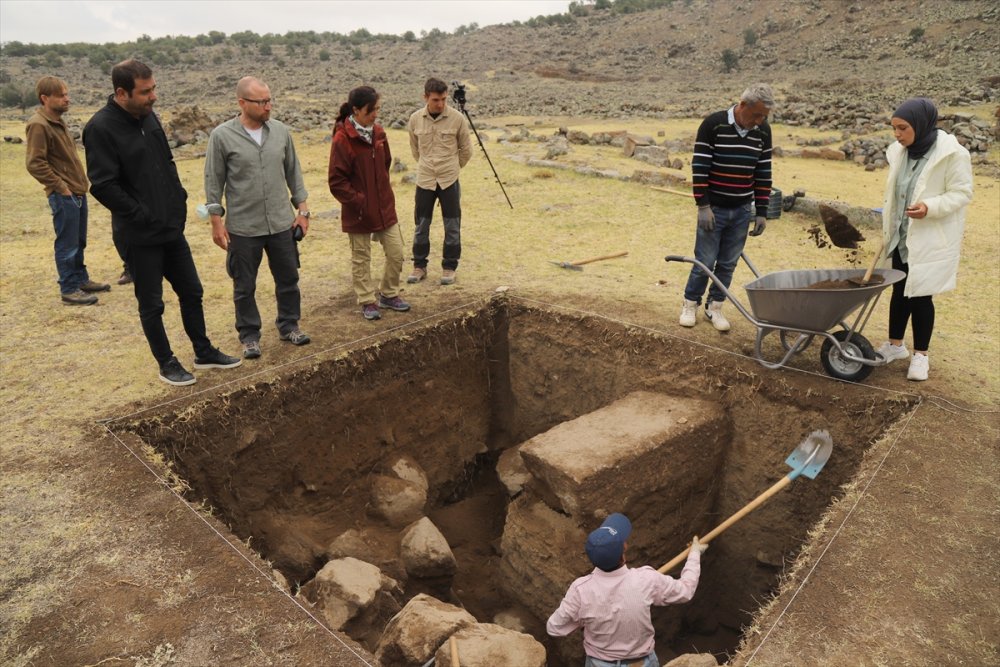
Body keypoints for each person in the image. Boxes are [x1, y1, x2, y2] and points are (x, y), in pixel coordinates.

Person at [84, 59, 241, 386]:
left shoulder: (148, 117)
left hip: (170, 226)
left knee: (192, 291)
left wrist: (178, 199)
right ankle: (166, 362)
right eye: (145, 92)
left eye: (154, 88)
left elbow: (166, 161)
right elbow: (102, 185)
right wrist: (140, 214)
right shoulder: (100, 128)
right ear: (121, 93)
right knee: (152, 304)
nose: (153, 96)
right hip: (139, 234)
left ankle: (203, 351)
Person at [205, 76, 311, 360]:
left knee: (288, 278)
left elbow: (293, 172)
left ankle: (289, 325)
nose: (268, 106)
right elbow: (213, 182)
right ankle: (249, 336)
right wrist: (216, 221)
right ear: (242, 103)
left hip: (280, 222)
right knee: (244, 286)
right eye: (261, 101)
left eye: (269, 100)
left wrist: (302, 211)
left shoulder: (281, 132)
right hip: (243, 227)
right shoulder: (222, 136)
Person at [875, 97, 973, 382]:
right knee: (899, 289)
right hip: (902, 236)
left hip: (929, 235)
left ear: (920, 124)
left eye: (902, 128)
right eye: (894, 128)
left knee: (920, 295)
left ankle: (921, 356)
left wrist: (930, 207)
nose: (897, 134)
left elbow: (962, 193)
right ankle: (895, 346)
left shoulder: (952, 154)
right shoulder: (899, 151)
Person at [547, 513, 708, 667]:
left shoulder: (580, 590)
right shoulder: (646, 579)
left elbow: (554, 627)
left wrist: (583, 618)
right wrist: (694, 554)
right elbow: (686, 591)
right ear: (623, 551)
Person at [680, 84, 774, 332]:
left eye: (764, 116)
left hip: (742, 209)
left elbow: (763, 172)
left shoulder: (763, 131)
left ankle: (715, 306)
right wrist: (703, 205)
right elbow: (700, 166)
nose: (760, 121)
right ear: (742, 105)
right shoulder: (714, 124)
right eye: (757, 114)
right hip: (715, 209)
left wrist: (761, 211)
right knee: (705, 260)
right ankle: (691, 303)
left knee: (728, 263)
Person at [25, 76, 111, 305]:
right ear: (45, 98)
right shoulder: (39, 124)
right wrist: (61, 187)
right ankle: (69, 288)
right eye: (61, 95)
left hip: (77, 191)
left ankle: (80, 279)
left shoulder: (57, 121)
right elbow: (35, 163)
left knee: (78, 241)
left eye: (66, 94)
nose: (67, 99)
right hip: (64, 194)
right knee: (67, 243)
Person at [328, 86, 410, 321]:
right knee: (361, 258)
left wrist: (382, 193)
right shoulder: (342, 139)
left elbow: (385, 164)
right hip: (359, 212)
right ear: (356, 110)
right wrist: (360, 201)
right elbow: (336, 181)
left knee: (396, 252)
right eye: (370, 110)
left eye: (377, 109)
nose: (375, 114)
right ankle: (367, 300)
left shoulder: (380, 133)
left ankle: (389, 293)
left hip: (384, 206)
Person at [405, 78, 472, 286]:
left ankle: (449, 267)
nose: (440, 104)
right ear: (425, 97)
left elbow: (466, 150)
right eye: (435, 100)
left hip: (449, 178)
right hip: (425, 179)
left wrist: (452, 167)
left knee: (452, 225)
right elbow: (415, 150)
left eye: (443, 99)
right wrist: (428, 166)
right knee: (421, 225)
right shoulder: (415, 119)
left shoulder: (457, 119)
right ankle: (419, 266)